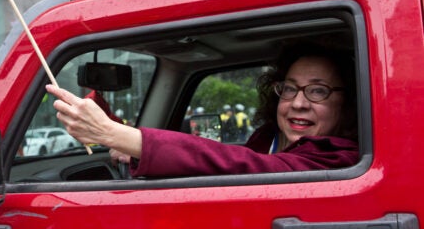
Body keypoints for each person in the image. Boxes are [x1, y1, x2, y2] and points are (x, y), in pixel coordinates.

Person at [46, 42, 358, 177]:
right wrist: (130, 141)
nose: (299, 102)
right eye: (289, 88)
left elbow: (244, 166)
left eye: (318, 91)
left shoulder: (341, 159)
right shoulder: (267, 138)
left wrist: (112, 133)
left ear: (346, 104)